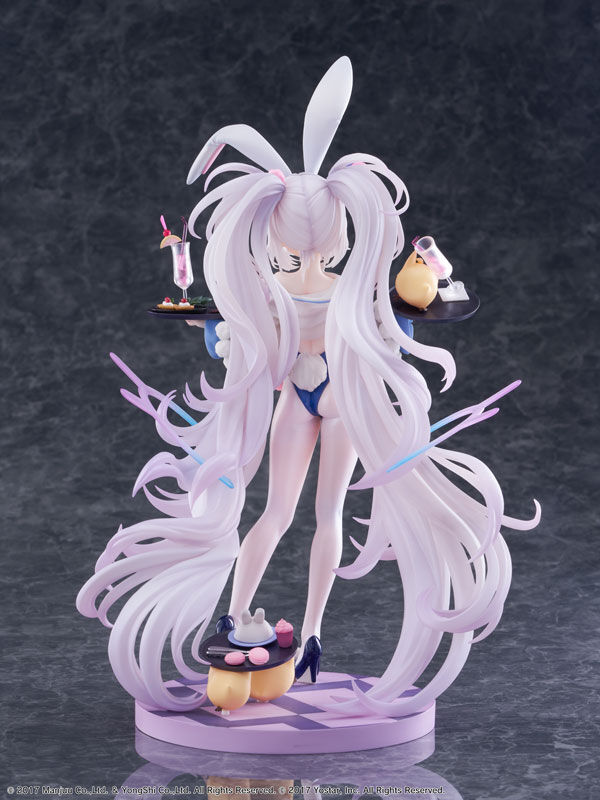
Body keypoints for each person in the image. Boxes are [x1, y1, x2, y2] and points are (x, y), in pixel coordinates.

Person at [77, 57, 540, 715]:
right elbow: (230, 333)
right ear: (273, 244)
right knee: (277, 512)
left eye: (326, 254)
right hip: (298, 396)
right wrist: (225, 337)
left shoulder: (353, 292)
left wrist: (419, 309)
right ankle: (235, 616)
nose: (313, 266)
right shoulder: (272, 294)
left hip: (344, 400)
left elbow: (407, 316)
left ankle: (313, 629)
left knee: (326, 516)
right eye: (295, 257)